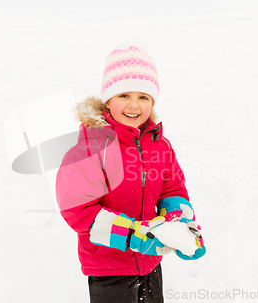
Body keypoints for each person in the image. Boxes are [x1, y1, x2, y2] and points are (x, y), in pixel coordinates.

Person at [56, 38, 206, 303]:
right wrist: (134, 236)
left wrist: (180, 223)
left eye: (143, 97)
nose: (134, 105)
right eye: (124, 95)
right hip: (108, 267)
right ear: (108, 99)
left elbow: (172, 188)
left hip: (150, 262)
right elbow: (79, 212)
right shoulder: (91, 149)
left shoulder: (159, 144)